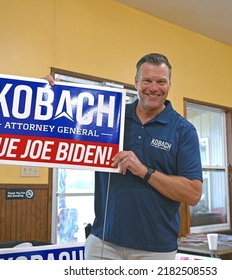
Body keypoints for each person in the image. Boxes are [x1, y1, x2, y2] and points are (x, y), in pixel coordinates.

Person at [47, 53, 203, 259]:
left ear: (169, 84)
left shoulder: (183, 130)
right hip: (102, 242)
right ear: (136, 81)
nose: (153, 88)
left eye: (161, 82)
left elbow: (193, 194)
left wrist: (144, 171)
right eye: (147, 80)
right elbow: (60, 127)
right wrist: (48, 96)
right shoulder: (109, 116)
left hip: (156, 249)